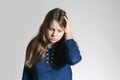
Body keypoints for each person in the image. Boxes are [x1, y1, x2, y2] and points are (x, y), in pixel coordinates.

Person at [22, 8, 82, 80]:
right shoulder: (34, 45)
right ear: (45, 27)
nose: (54, 34)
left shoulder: (67, 46)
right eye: (51, 29)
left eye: (59, 31)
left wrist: (68, 33)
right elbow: (27, 75)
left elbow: (74, 60)